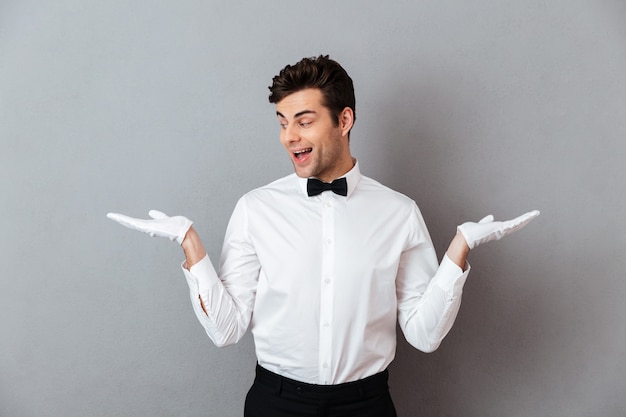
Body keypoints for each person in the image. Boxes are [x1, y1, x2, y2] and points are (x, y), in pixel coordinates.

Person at [107, 55, 539, 417]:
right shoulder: (255, 210)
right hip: (276, 404)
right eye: (282, 122)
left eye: (304, 121)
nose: (288, 136)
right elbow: (227, 330)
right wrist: (191, 245)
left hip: (365, 405)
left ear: (344, 119)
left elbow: (424, 336)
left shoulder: (399, 213)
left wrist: (459, 250)